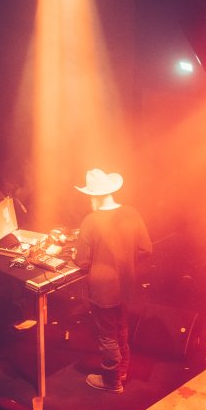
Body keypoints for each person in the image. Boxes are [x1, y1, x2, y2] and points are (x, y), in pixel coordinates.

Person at [74, 168, 152, 393]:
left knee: (107, 335)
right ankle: (122, 371)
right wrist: (126, 262)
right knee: (121, 327)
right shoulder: (132, 213)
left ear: (93, 196)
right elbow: (146, 249)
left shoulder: (91, 220)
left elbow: (82, 261)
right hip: (126, 283)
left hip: (103, 287)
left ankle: (111, 381)